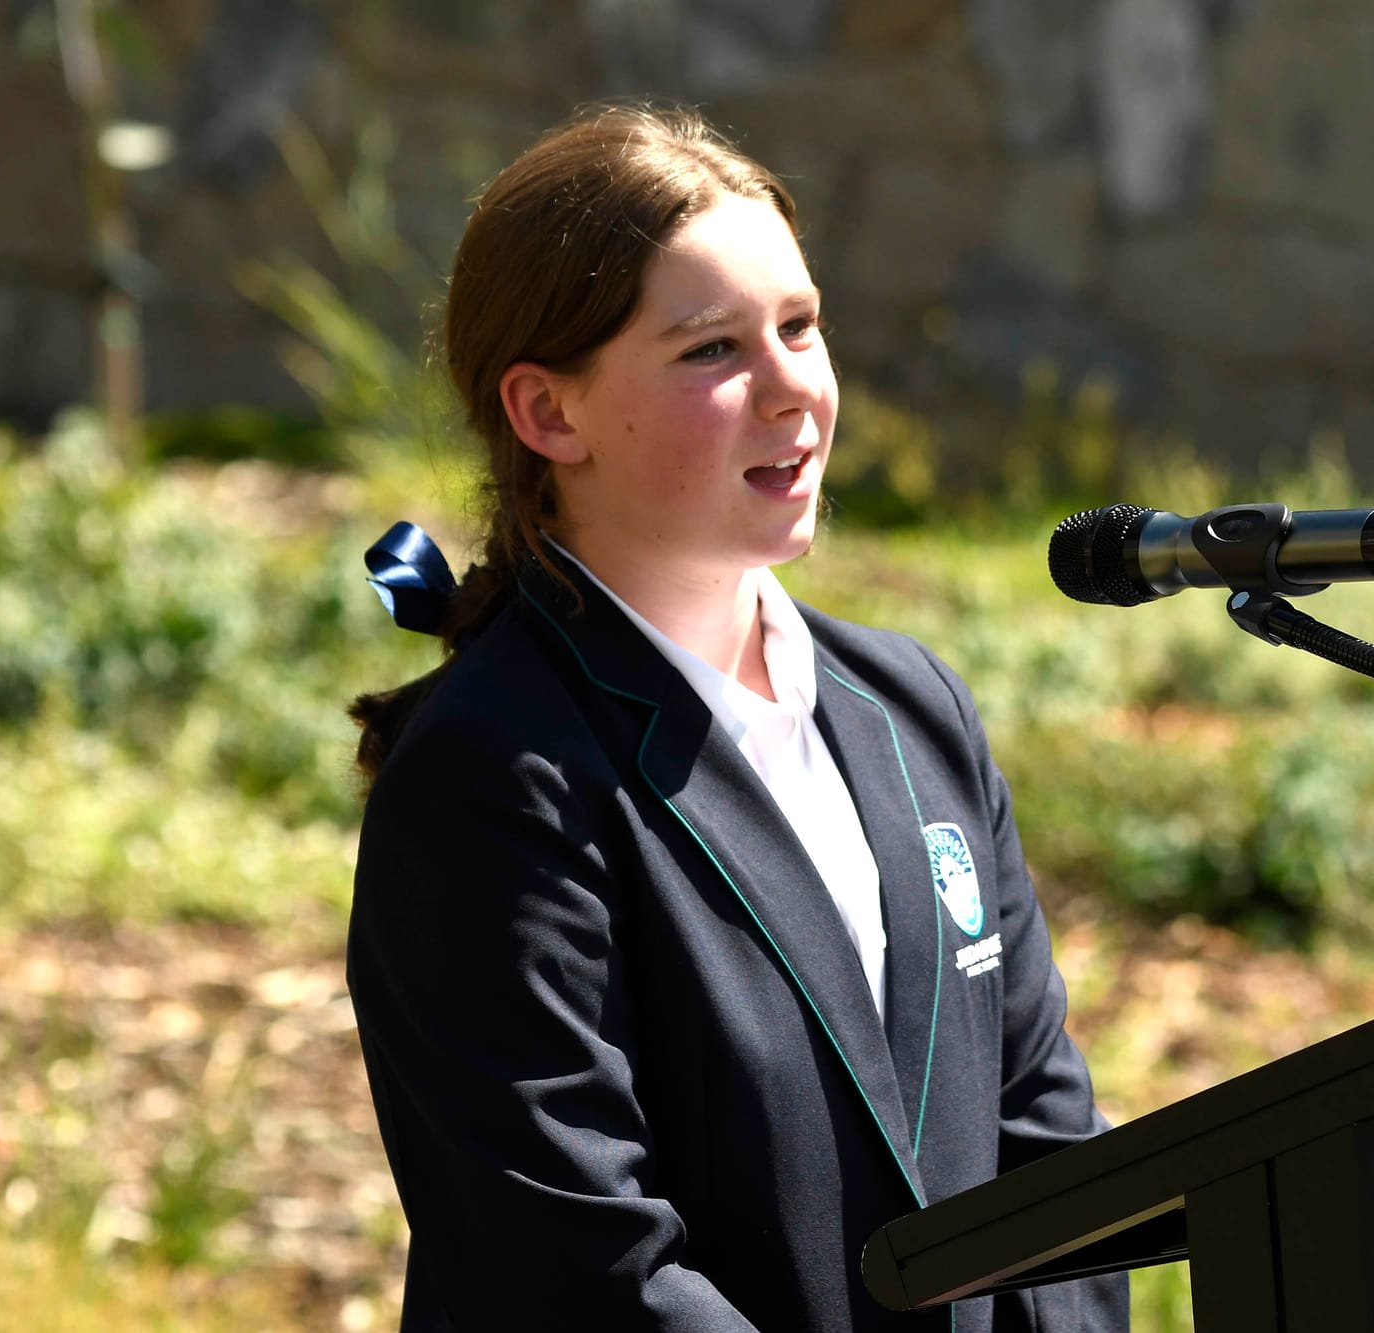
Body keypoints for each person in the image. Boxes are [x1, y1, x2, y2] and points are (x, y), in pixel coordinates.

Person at [344, 104, 1129, 1332]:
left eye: (800, 327)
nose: (790, 391)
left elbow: (1049, 1147)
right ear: (549, 414)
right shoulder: (493, 777)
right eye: (711, 350)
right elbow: (579, 1273)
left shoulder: (913, 712)